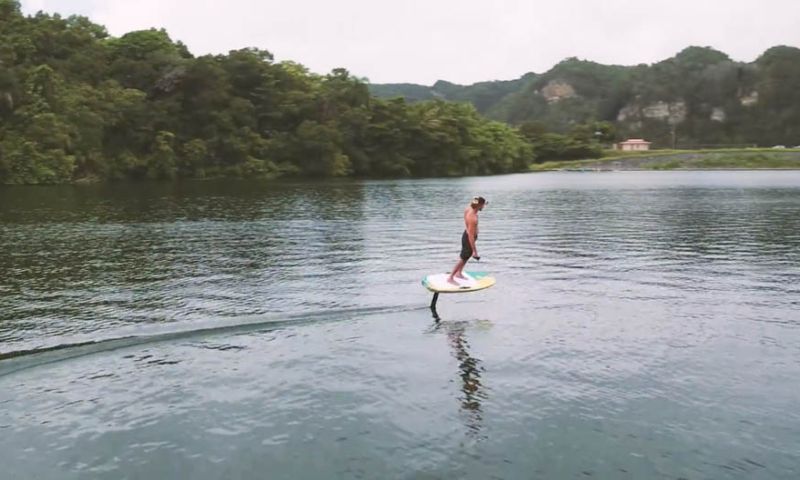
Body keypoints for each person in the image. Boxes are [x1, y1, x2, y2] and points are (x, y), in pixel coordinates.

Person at [448, 196, 487, 285]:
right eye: (483, 205)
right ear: (479, 205)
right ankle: (450, 277)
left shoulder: (469, 207)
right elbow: (470, 235)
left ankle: (459, 273)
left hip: (468, 236)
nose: (484, 207)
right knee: (463, 258)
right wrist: (474, 251)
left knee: (466, 256)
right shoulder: (472, 217)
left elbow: (475, 202)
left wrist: (482, 202)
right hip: (469, 238)